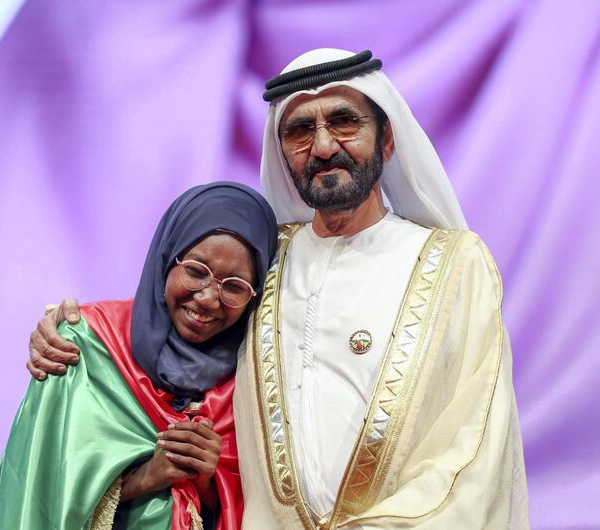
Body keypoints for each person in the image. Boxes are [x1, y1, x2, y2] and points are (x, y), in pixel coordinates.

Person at [30, 49, 529, 528]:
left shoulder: (457, 265)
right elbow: (175, 328)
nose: (324, 146)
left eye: (344, 121)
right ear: (282, 153)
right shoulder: (267, 266)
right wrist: (72, 329)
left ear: (387, 140)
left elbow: (475, 443)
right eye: (300, 130)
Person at [0, 182, 278, 530]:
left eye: (234, 286)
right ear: (167, 257)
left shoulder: (250, 384)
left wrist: (205, 481)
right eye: (196, 271)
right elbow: (35, 491)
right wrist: (145, 478)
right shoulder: (87, 345)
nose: (208, 299)